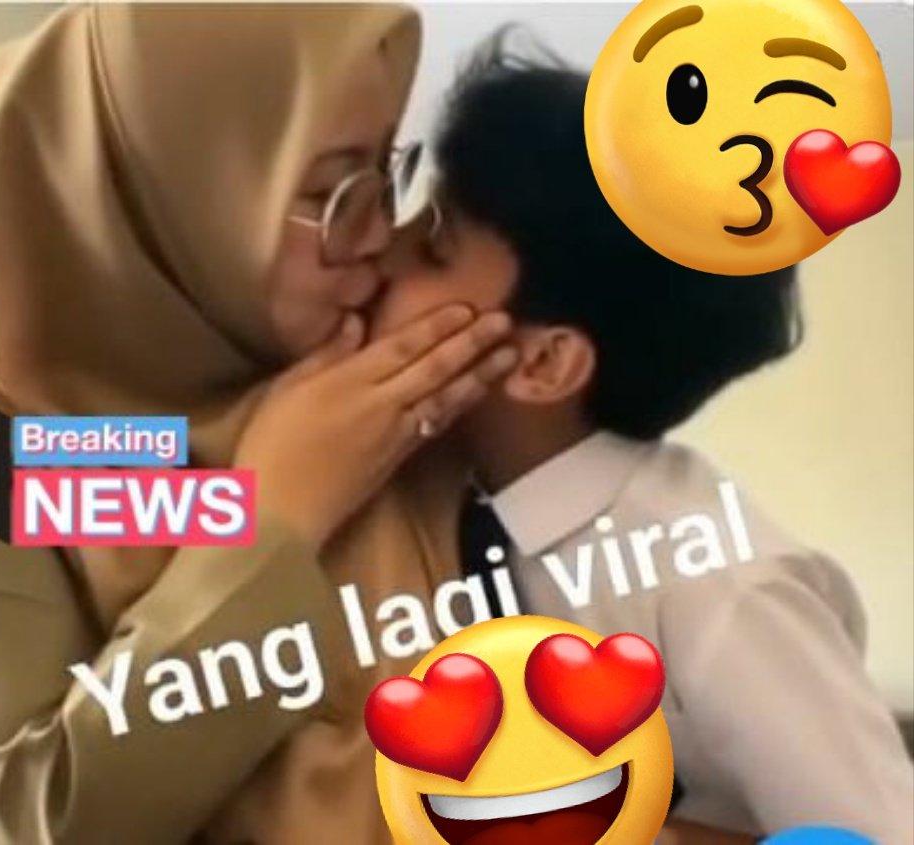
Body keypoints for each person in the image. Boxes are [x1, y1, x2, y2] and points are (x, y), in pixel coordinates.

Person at [0, 6, 514, 843]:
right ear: (165, 206)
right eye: (331, 193)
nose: (379, 233)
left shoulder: (342, 365)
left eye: (383, 171)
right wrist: (271, 516)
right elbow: (32, 813)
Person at [373, 33, 914, 844]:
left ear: (545, 363)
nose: (382, 252)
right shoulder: (441, 494)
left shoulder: (721, 587)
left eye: (433, 246)